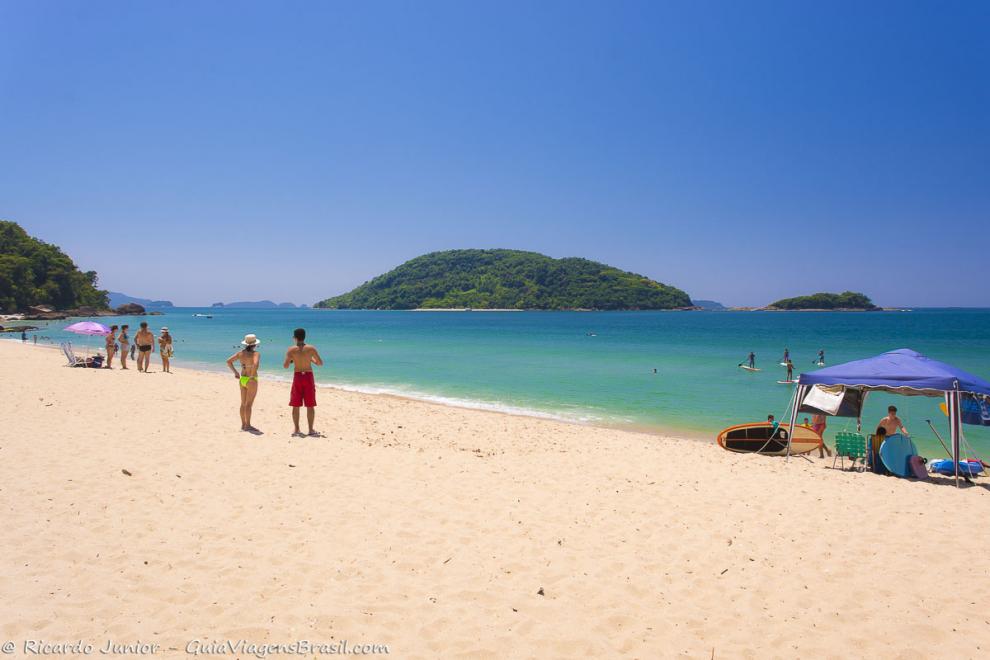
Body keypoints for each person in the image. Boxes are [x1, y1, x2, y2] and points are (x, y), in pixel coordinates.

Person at [283, 328, 324, 437]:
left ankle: (297, 429)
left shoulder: (291, 350)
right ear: (305, 337)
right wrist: (311, 360)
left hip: (297, 377)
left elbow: (285, 366)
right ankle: (310, 430)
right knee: (310, 405)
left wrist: (292, 360)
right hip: (308, 376)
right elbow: (320, 363)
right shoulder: (311, 348)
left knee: (295, 404)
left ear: (294, 338)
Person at [227, 333, 261, 433]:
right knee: (249, 404)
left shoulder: (240, 353)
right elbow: (255, 363)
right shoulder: (256, 354)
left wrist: (236, 373)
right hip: (251, 380)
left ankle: (243, 424)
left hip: (243, 379)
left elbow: (228, 361)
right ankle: (248, 425)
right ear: (254, 344)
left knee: (243, 403)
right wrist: (252, 375)